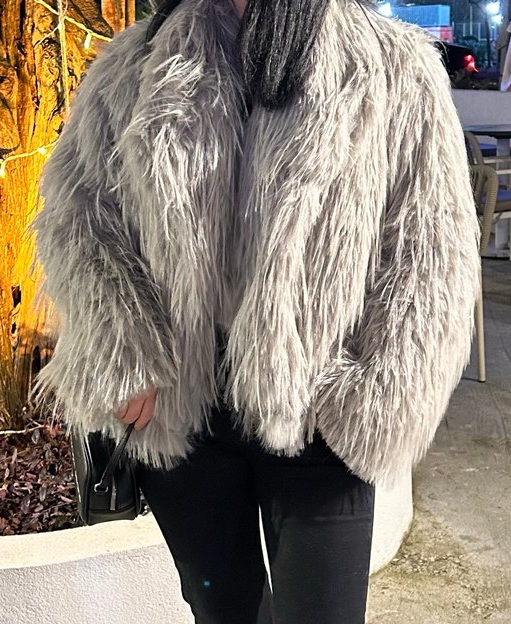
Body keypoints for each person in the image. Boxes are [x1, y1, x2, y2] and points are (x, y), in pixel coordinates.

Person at [33, 0, 480, 621]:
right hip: (183, 408)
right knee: (222, 611)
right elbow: (78, 216)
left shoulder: (392, 66)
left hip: (319, 414)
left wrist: (371, 395)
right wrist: (123, 345)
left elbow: (432, 249)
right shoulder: (134, 65)